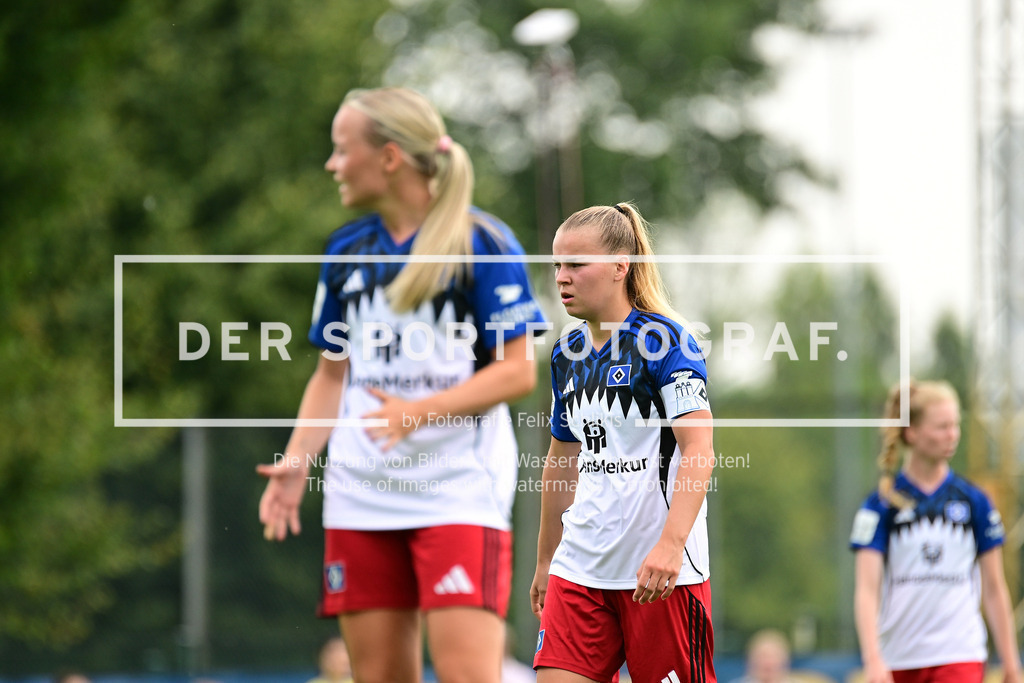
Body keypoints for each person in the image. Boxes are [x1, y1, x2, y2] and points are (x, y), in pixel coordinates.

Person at [257, 86, 545, 683]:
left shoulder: (483, 244)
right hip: (360, 493)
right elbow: (331, 375)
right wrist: (295, 459)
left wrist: (419, 411)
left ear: (388, 157)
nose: (332, 164)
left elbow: (518, 370)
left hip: (458, 492)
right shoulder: (346, 249)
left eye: (342, 150)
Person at [530, 203, 716, 683]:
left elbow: (699, 451)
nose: (562, 278)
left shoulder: (667, 341)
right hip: (580, 570)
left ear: (620, 267)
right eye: (557, 266)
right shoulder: (566, 353)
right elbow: (562, 461)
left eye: (576, 264)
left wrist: (671, 545)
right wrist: (548, 560)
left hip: (659, 577)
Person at [850, 380, 1022, 683]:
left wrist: (1011, 662)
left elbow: (994, 589)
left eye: (955, 425)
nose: (952, 435)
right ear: (912, 432)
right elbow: (867, 591)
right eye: (942, 427)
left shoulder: (975, 501)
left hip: (959, 655)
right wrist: (873, 658)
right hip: (898, 658)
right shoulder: (880, 505)